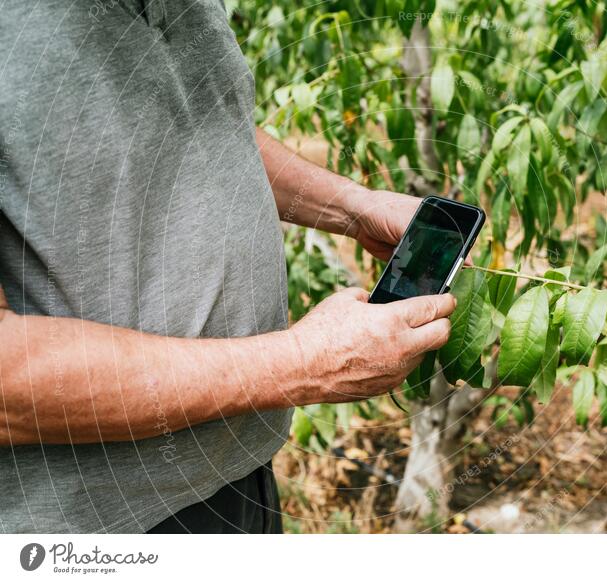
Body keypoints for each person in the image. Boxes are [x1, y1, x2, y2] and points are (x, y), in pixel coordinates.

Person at [0, 0, 455, 533]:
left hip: (241, 472)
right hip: (91, 525)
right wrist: (305, 362)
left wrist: (352, 206)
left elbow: (205, 123)